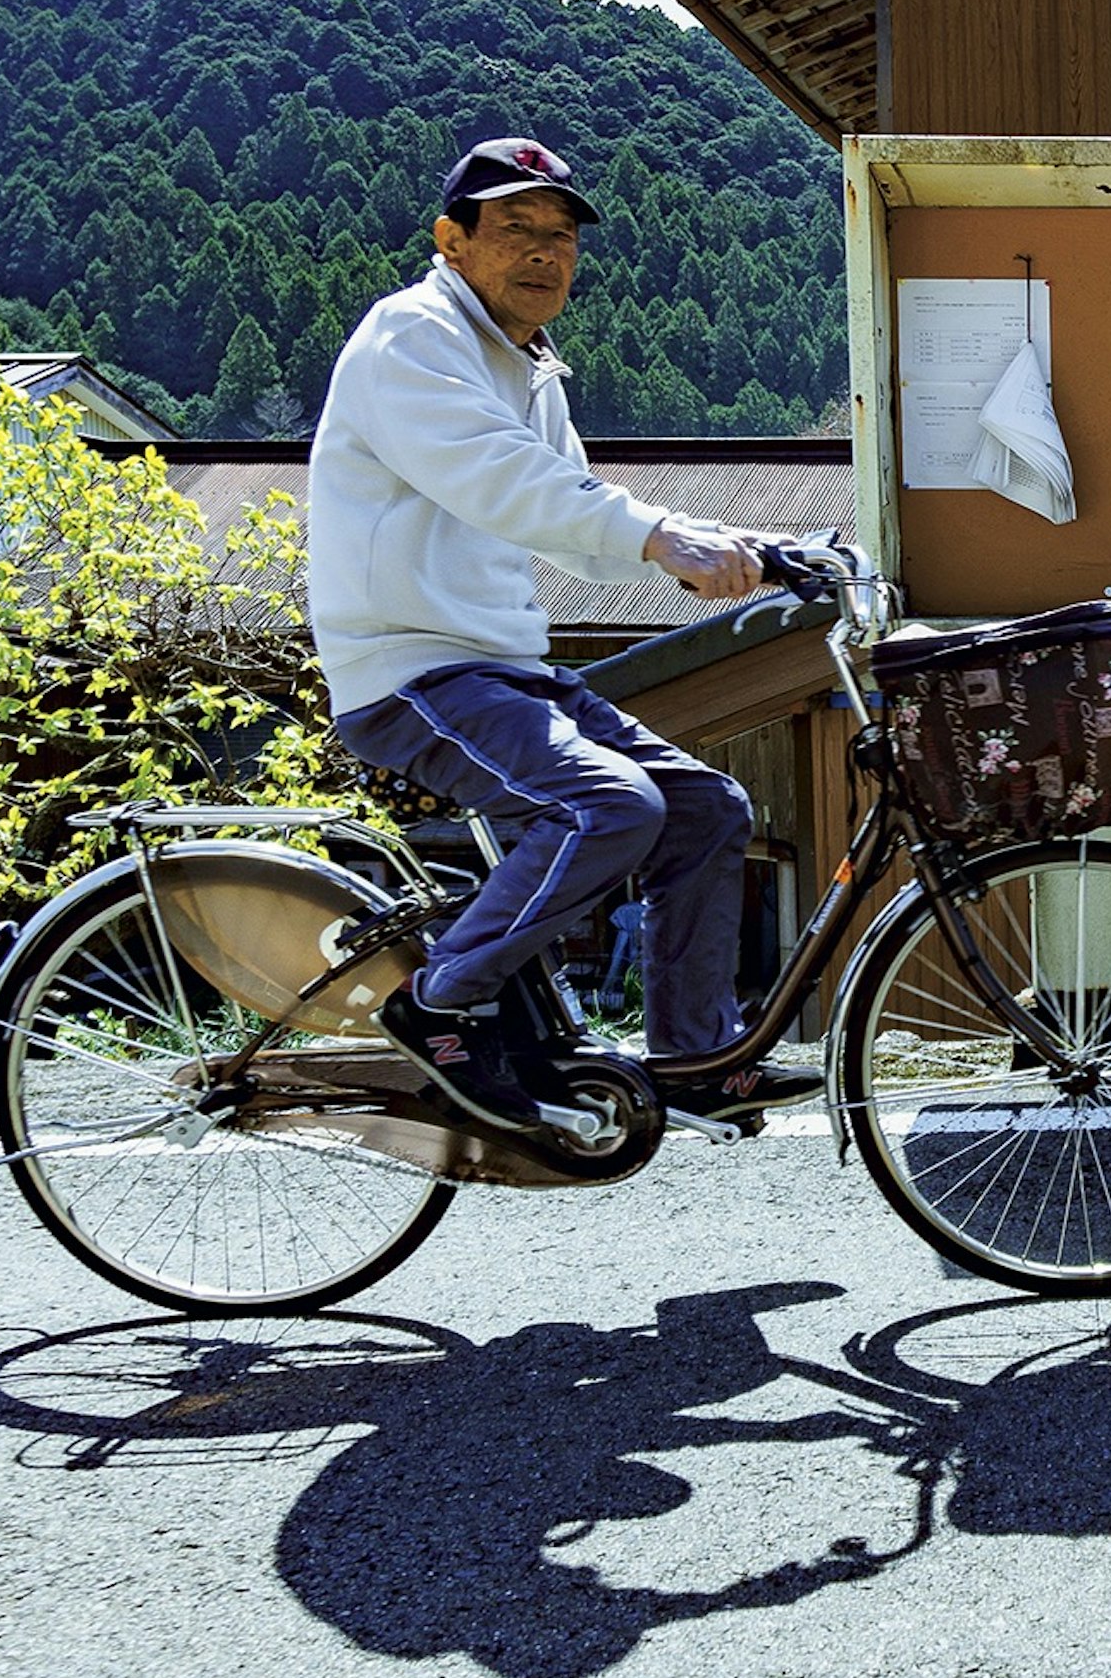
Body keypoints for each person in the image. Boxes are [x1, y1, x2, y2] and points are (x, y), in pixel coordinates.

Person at [306, 134, 826, 1137]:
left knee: (706, 807)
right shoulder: (411, 339)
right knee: (608, 805)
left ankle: (692, 1057)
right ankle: (443, 999)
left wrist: (745, 542)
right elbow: (506, 479)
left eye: (561, 235)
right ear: (450, 240)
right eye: (516, 231)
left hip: (503, 668)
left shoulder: (528, 366)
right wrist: (664, 534)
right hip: (410, 666)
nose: (546, 252)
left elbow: (577, 517)